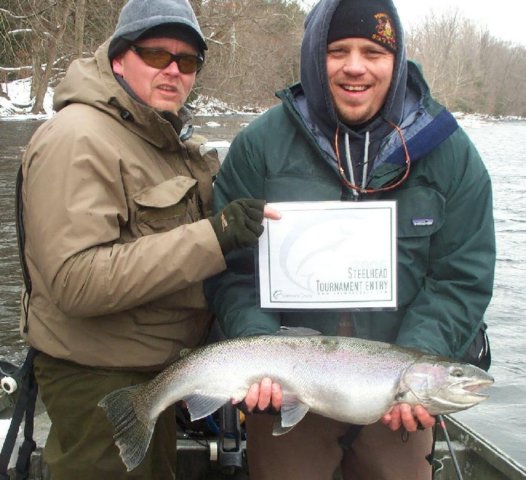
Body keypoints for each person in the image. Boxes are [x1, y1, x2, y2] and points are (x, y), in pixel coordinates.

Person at [205, 0, 496, 478]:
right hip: (285, 393)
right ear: (313, 59)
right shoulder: (258, 146)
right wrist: (256, 347)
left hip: (397, 403)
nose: (355, 67)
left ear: (396, 60)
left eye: (373, 52)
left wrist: (415, 368)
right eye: (337, 50)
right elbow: (233, 269)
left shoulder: (450, 154)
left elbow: (460, 278)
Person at [18, 0, 277, 478]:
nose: (173, 70)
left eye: (188, 61)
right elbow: (75, 281)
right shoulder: (78, 139)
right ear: (119, 58)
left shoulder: (158, 138)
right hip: (96, 377)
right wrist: (214, 238)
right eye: (156, 55)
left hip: (159, 373)